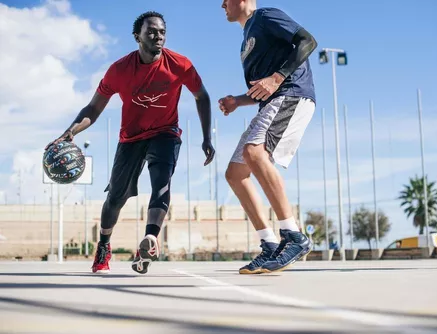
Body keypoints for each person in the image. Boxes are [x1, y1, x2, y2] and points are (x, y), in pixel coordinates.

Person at [46, 11, 215, 274]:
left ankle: (150, 238)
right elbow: (94, 108)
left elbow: (201, 96)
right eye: (152, 32)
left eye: (162, 32)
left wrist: (207, 137)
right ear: (137, 37)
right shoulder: (119, 70)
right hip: (131, 138)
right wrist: (71, 131)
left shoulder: (180, 64)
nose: (158, 36)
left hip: (165, 133)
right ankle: (104, 245)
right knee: (115, 198)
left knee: (162, 182)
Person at [219, 0, 317, 274]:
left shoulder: (266, 16)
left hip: (292, 94)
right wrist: (238, 101)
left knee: (254, 153)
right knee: (235, 173)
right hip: (272, 103)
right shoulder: (245, 39)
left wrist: (277, 77)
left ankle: (294, 236)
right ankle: (270, 244)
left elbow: (308, 41)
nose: (222, 4)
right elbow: (262, 90)